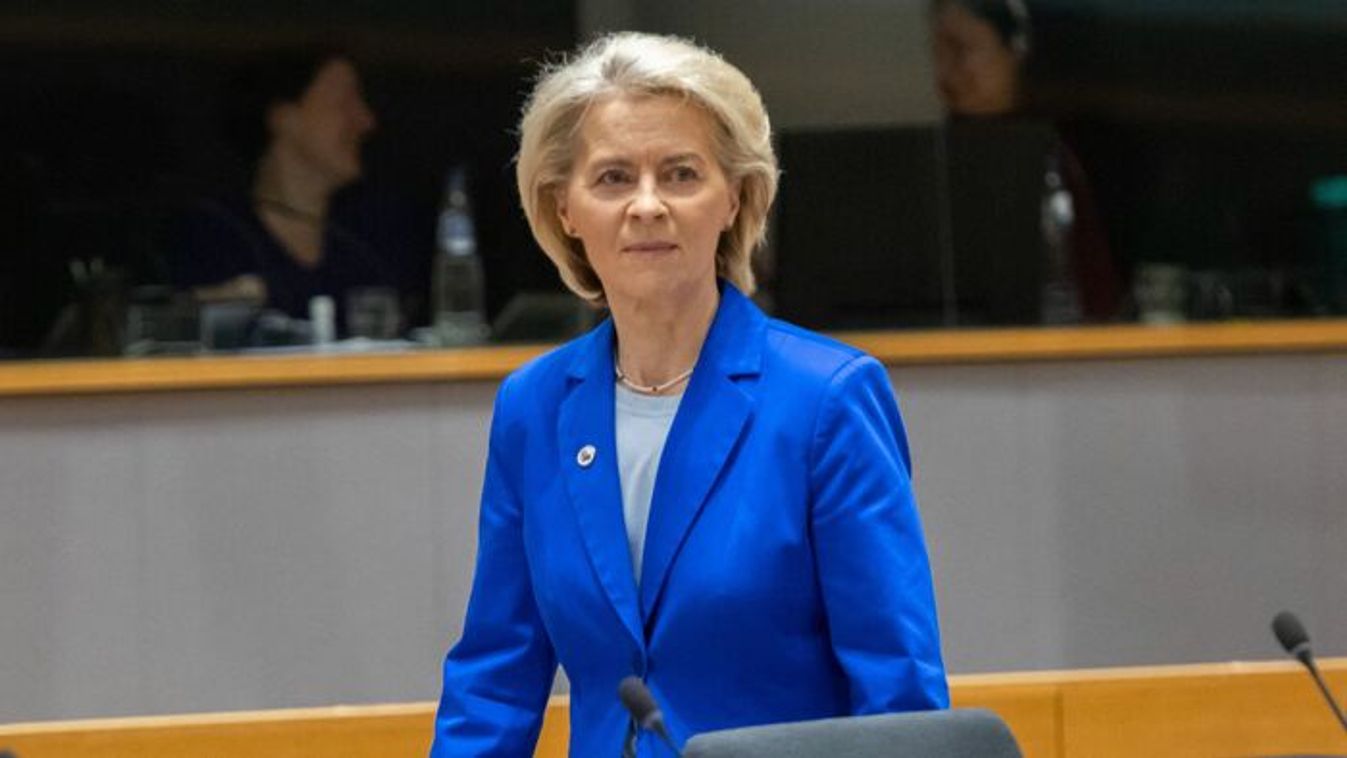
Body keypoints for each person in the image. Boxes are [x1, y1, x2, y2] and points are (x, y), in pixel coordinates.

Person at [432, 32, 947, 757]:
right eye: (612, 178)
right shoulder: (535, 408)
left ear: (734, 197)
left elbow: (898, 691)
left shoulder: (824, 401)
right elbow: (494, 678)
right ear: (565, 209)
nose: (646, 206)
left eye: (680, 174)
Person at [169, 47, 415, 335]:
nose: (366, 121)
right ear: (285, 117)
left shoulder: (364, 254)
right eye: (344, 102)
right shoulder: (215, 235)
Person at [931, 0, 1123, 321]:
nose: (946, 71)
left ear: (1015, 48)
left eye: (961, 49)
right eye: (938, 52)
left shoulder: (1060, 149)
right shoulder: (937, 156)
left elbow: (1093, 289)